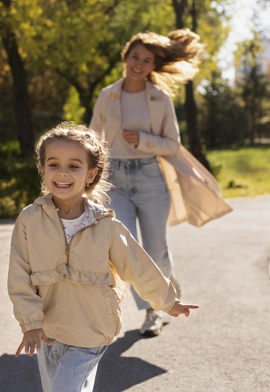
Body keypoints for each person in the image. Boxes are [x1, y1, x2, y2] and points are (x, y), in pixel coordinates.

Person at [8, 122, 198, 392]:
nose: (62, 173)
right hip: (48, 329)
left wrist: (167, 302)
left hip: (92, 329)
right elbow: (18, 274)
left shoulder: (105, 225)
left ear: (90, 174)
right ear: (42, 169)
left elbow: (138, 265)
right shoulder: (29, 220)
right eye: (54, 164)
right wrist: (30, 323)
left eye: (74, 166)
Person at [89, 29, 232, 338]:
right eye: (135, 57)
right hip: (116, 180)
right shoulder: (107, 96)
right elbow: (92, 138)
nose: (139, 64)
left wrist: (143, 140)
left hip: (150, 179)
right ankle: (154, 304)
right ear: (125, 57)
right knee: (128, 248)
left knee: (155, 248)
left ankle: (157, 310)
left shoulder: (159, 98)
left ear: (153, 66)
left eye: (146, 60)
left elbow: (172, 144)